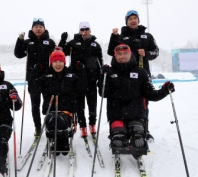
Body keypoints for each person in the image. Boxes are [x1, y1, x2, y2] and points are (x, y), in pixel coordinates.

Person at [98, 44, 175, 158]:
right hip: (116, 115)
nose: (122, 56)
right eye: (119, 54)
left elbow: (151, 95)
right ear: (115, 56)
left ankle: (137, 146)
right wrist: (102, 76)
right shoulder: (109, 72)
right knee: (118, 140)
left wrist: (165, 90)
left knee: (138, 140)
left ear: (130, 54)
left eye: (125, 54)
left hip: (136, 115)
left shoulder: (141, 72)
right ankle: (120, 140)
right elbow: (103, 93)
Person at [107, 10, 159, 142]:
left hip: (142, 74)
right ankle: (122, 130)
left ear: (138, 20)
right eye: (130, 19)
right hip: (124, 75)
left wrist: (146, 54)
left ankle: (143, 130)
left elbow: (155, 51)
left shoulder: (147, 36)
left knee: (143, 105)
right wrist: (113, 36)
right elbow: (110, 51)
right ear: (126, 21)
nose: (133, 20)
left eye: (135, 18)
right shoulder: (121, 37)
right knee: (124, 103)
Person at [29, 48, 87, 155]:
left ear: (64, 62)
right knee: (52, 120)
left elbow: (82, 90)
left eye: (60, 61)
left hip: (66, 111)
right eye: (55, 61)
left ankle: (62, 142)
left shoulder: (71, 76)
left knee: (60, 120)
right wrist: (34, 72)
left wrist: (81, 72)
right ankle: (58, 142)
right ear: (51, 63)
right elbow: (33, 90)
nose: (58, 64)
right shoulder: (45, 77)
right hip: (51, 110)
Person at [58, 21, 103, 137]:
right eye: (82, 30)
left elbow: (100, 62)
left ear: (90, 30)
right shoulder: (73, 43)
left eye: (86, 29)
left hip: (91, 79)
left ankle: (92, 124)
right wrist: (63, 40)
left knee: (92, 104)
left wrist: (100, 76)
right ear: (79, 30)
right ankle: (82, 126)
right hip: (77, 80)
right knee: (79, 105)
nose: (84, 32)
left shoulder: (95, 45)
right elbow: (60, 52)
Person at [14, 18, 56, 137]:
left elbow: (57, 57)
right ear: (32, 29)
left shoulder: (50, 42)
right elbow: (18, 54)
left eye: (40, 27)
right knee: (35, 105)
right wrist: (20, 39)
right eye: (36, 27)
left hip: (47, 77)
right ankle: (38, 127)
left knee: (49, 103)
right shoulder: (28, 42)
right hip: (33, 78)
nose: (38, 29)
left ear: (44, 29)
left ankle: (50, 125)